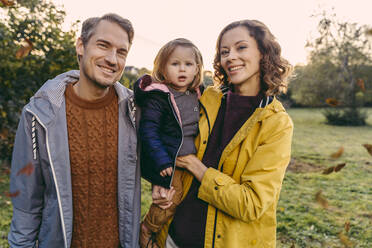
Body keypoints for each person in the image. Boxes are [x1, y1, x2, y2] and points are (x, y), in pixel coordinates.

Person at [153, 20, 294, 248]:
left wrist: (196, 166)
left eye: (241, 47)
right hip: (172, 237)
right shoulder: (205, 98)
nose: (230, 57)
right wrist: (159, 181)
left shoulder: (276, 123)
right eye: (224, 52)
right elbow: (170, 139)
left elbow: (251, 204)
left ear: (263, 52)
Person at [8, 13, 140, 248]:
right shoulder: (40, 114)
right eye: (103, 45)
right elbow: (26, 204)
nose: (112, 59)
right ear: (81, 46)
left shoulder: (134, 112)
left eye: (121, 52)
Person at [134, 38, 203, 248]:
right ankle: (146, 231)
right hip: (169, 161)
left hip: (191, 161)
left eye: (188, 64)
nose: (182, 69)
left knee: (182, 201)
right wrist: (162, 161)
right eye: (175, 64)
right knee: (169, 200)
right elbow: (149, 130)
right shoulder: (160, 97)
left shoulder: (196, 94)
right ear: (163, 68)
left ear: (197, 69)